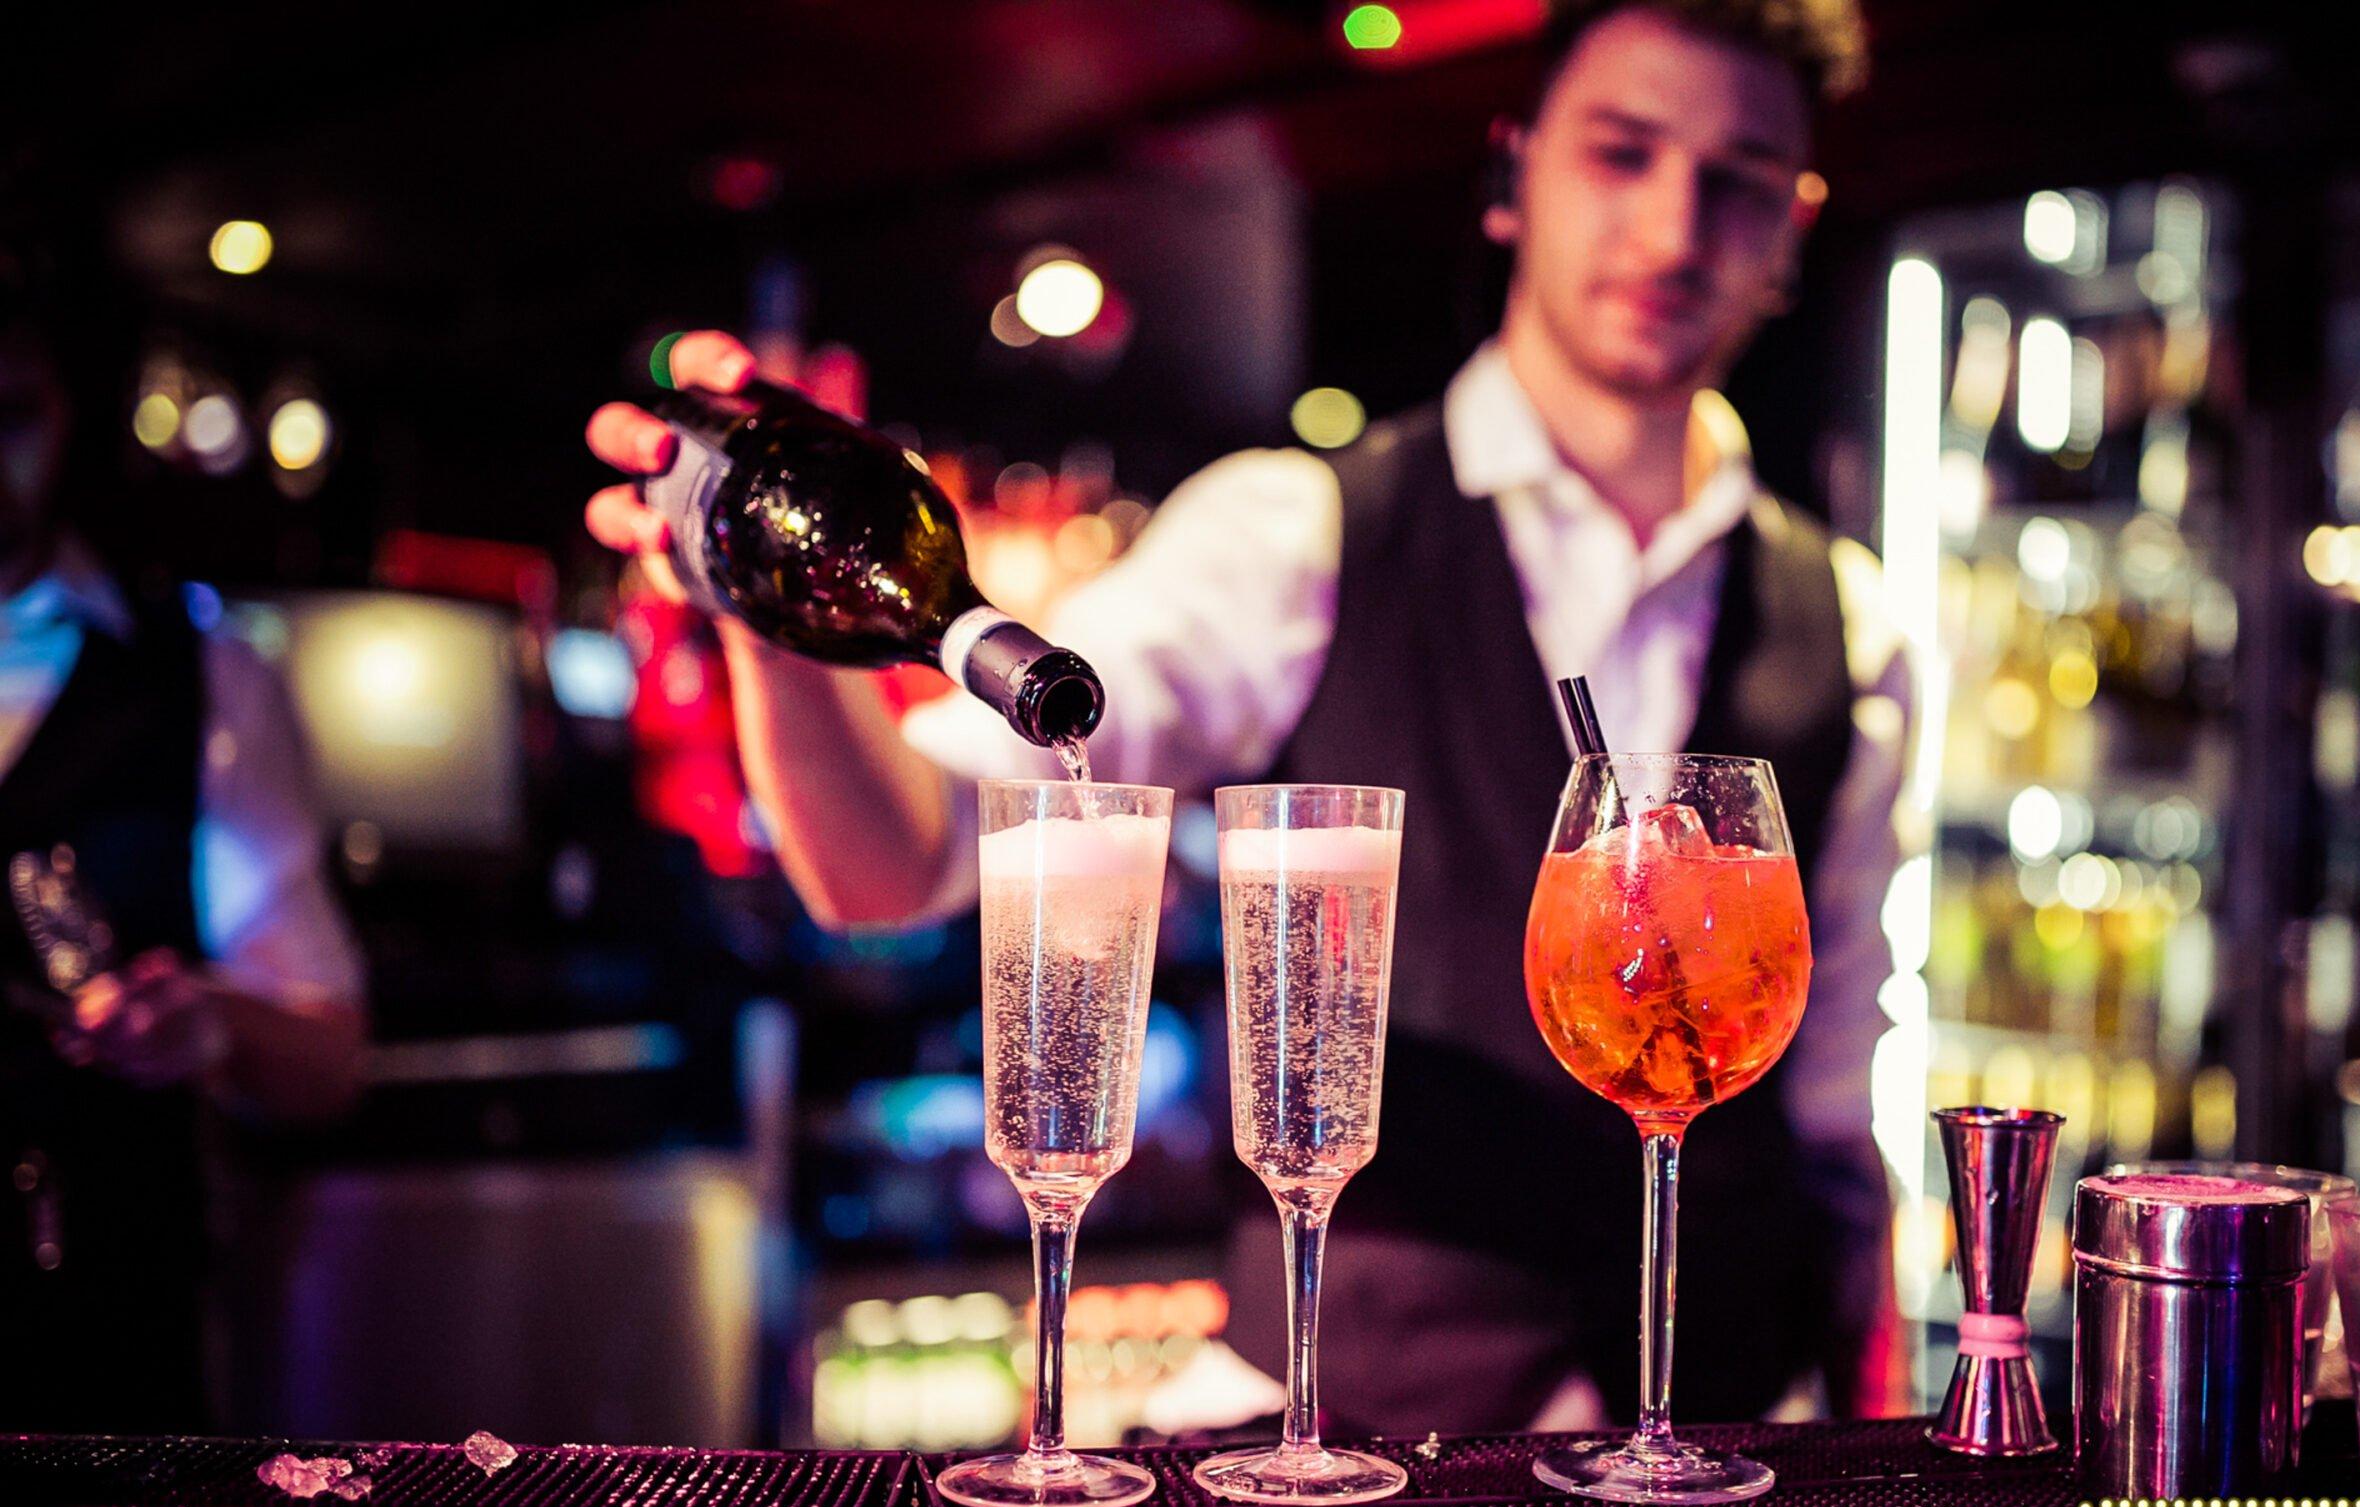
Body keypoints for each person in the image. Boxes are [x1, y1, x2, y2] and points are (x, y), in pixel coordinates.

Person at [583, 0, 1906, 1429]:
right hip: (1360, 1451)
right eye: (1622, 153)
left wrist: (1891, 1428)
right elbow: (892, 863)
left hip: (1728, 1439)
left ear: (1793, 227)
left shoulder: (1852, 611)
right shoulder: (1299, 534)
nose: (1670, 228)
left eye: (1738, 180)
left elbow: (1835, 1099)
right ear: (1516, 174)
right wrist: (765, 621)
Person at [0, 242, 368, 1431]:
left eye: (6, 412)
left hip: (99, 1365)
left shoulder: (199, 674)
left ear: (62, 413)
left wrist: (211, 1018)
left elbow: (325, 1057)